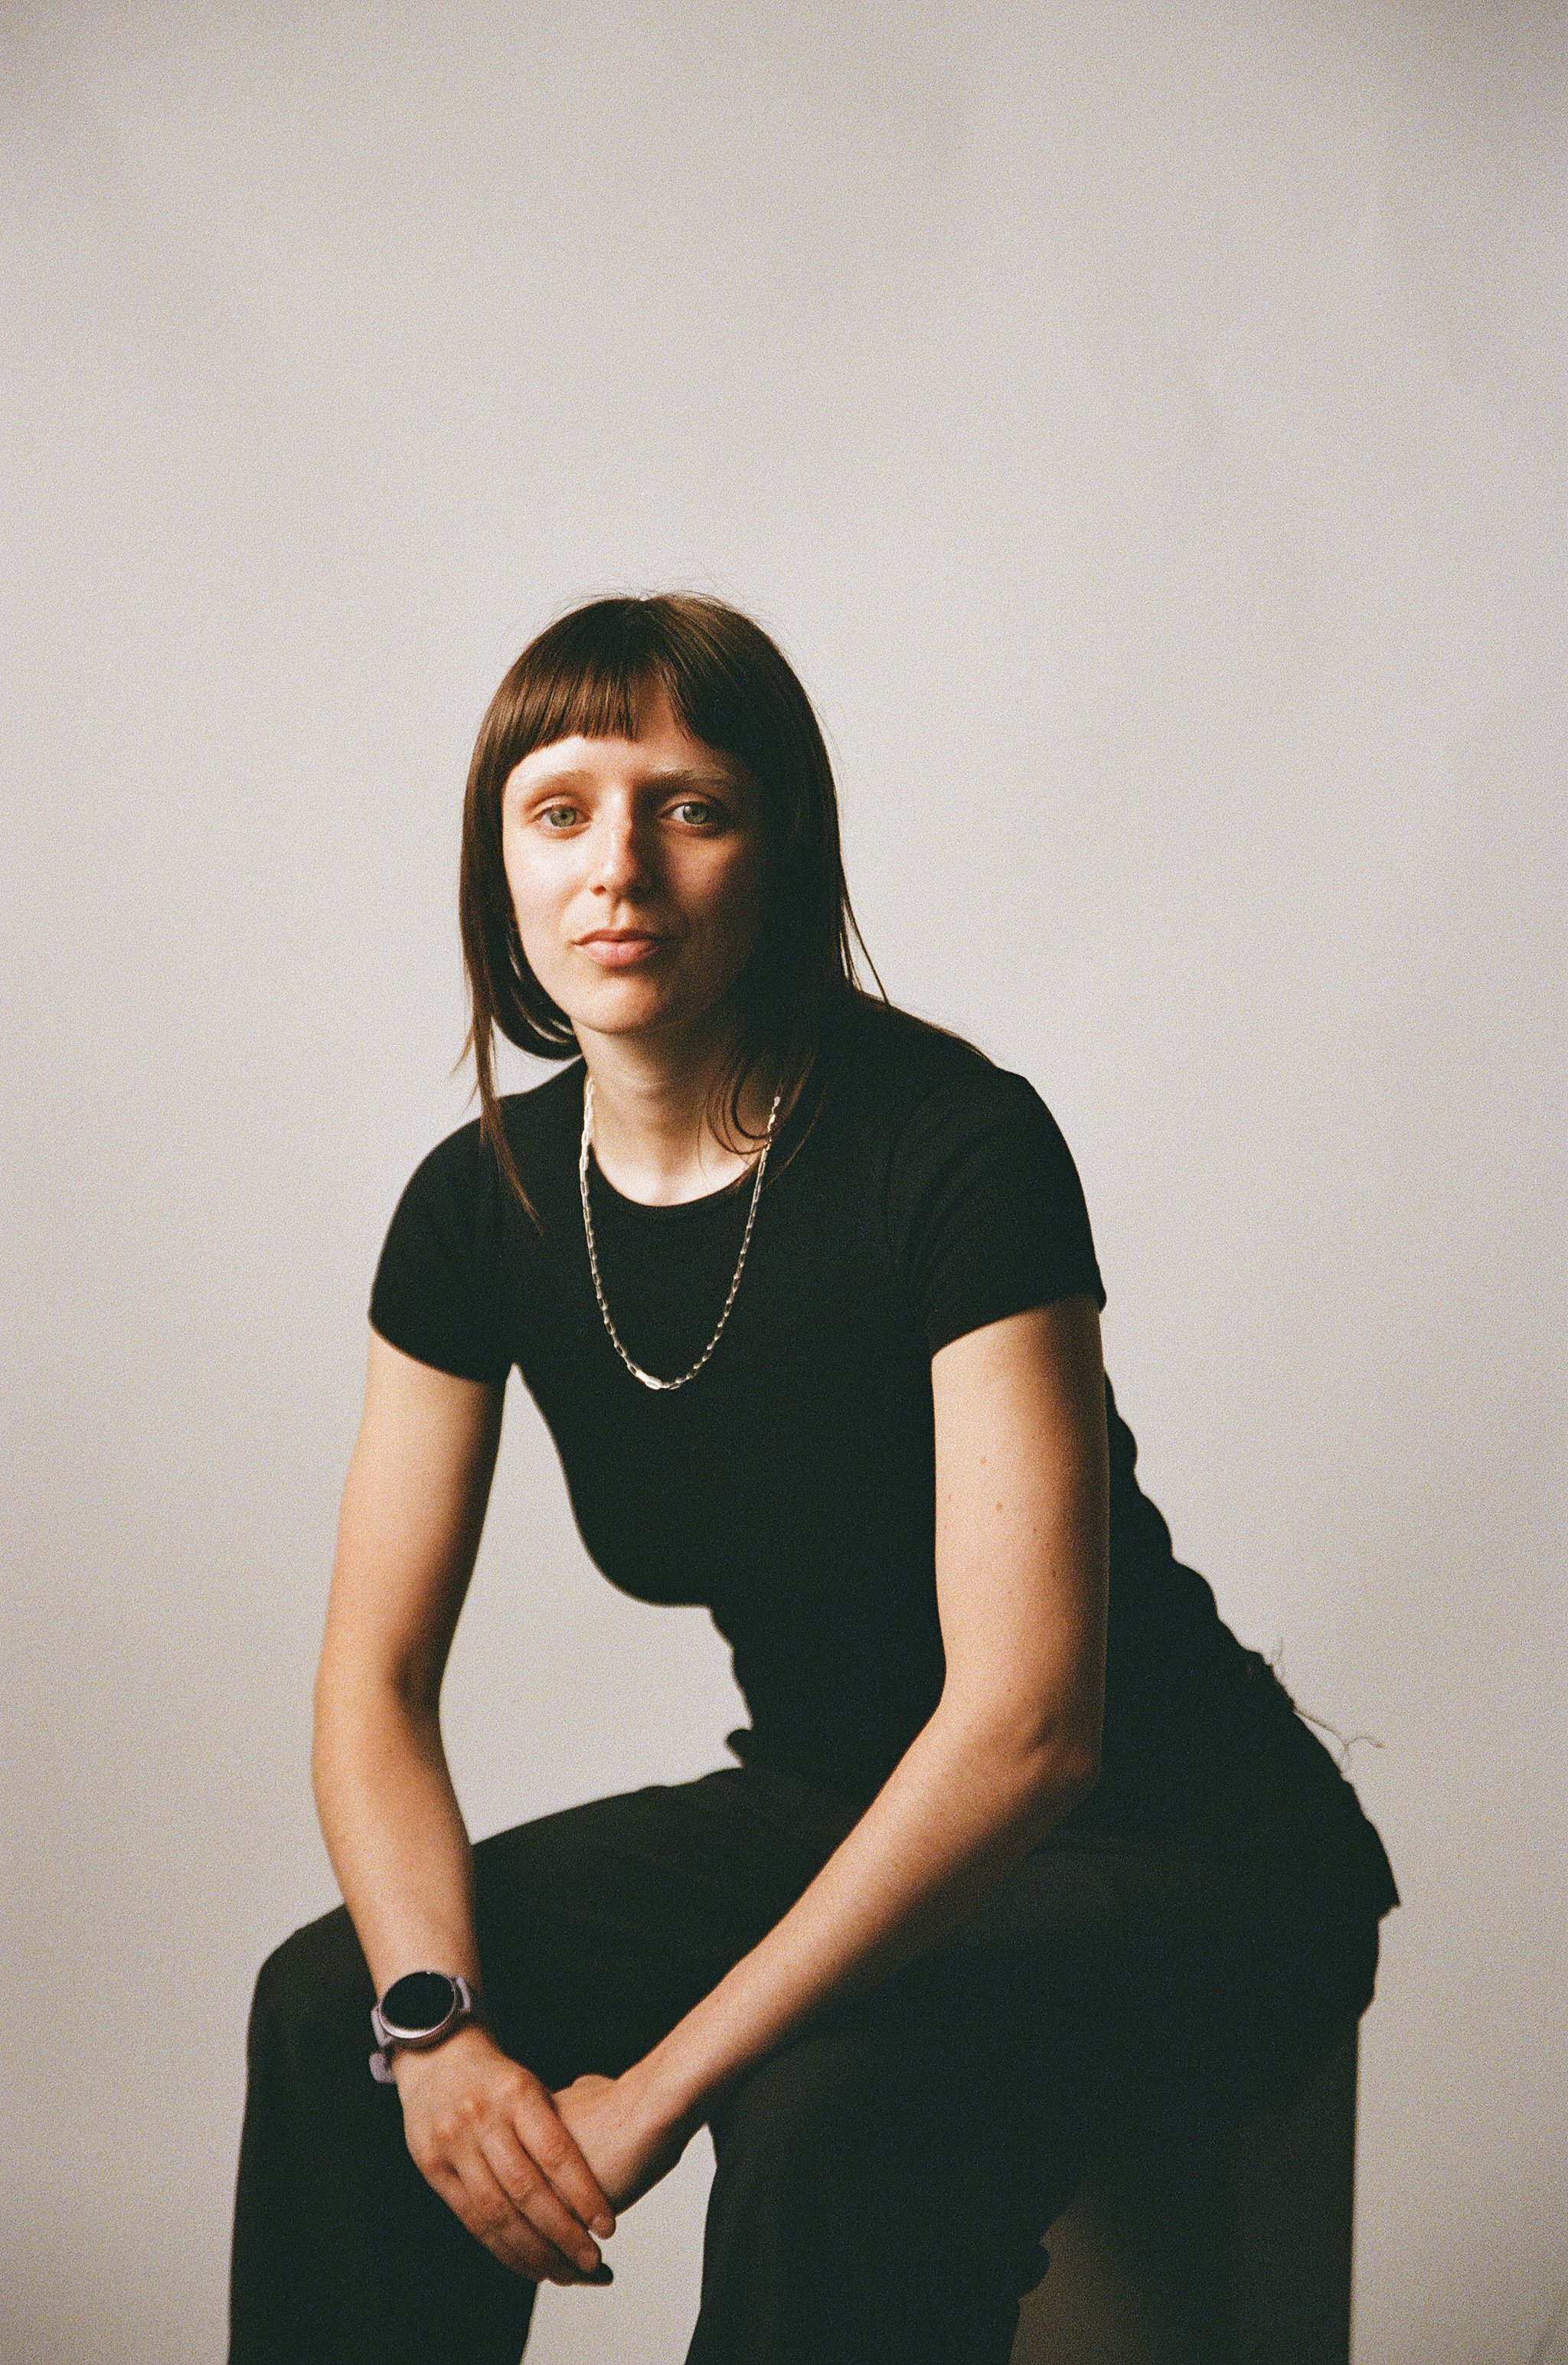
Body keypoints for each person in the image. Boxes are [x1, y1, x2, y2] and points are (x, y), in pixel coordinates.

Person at [229, 592, 1399, 2365]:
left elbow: (1028, 1730)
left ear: (781, 854)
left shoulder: (952, 1144)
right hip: (832, 1806)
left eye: (690, 807)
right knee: (332, 2008)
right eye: (560, 812)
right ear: (499, 871)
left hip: (1177, 1856)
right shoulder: (480, 1204)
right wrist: (436, 2024)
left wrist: (664, 2089)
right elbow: (373, 1685)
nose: (617, 863)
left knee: (820, 2120)